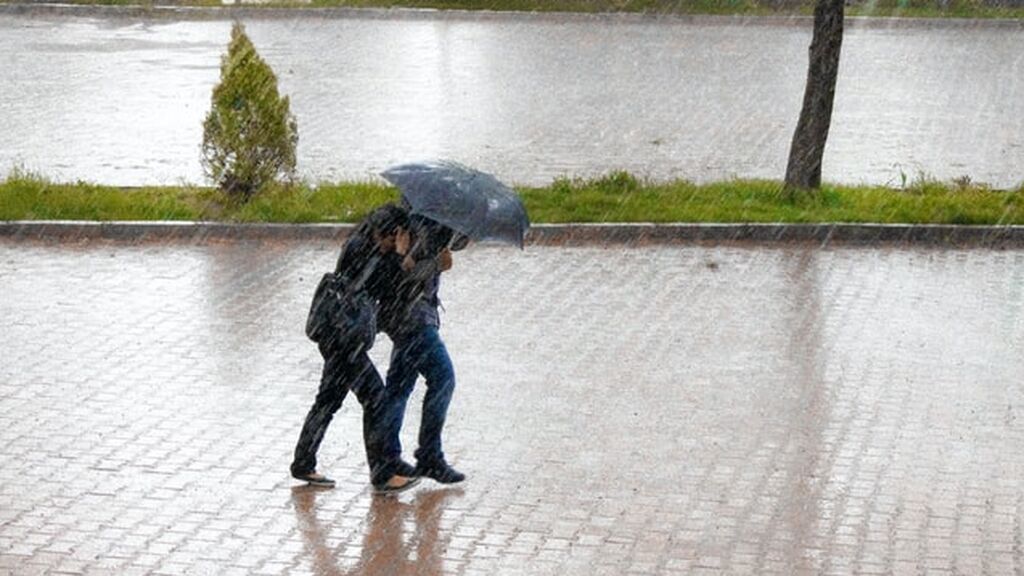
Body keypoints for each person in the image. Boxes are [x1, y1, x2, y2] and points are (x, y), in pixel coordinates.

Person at [291, 204, 420, 494]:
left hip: (334, 334)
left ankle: (303, 462)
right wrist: (401, 259)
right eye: (399, 236)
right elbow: (392, 289)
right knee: (376, 399)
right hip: (344, 341)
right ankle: (383, 474)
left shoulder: (359, 243)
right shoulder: (371, 254)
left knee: (328, 400)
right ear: (391, 233)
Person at [377, 215, 468, 484]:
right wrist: (437, 264)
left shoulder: (432, 218)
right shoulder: (417, 223)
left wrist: (461, 233)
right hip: (413, 319)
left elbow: (456, 243)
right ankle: (428, 455)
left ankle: (387, 458)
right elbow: (404, 275)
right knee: (443, 378)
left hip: (407, 317)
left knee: (399, 387)